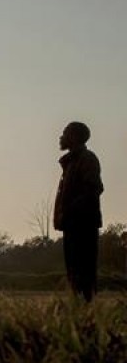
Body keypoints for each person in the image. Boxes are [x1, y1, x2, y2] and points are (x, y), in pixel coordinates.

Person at [53, 121, 103, 302]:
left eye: (65, 133)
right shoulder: (72, 162)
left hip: (83, 225)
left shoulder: (87, 159)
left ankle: (86, 314)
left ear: (73, 137)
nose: (61, 137)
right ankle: (78, 311)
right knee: (74, 272)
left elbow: (94, 189)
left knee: (84, 272)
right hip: (73, 224)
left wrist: (71, 212)